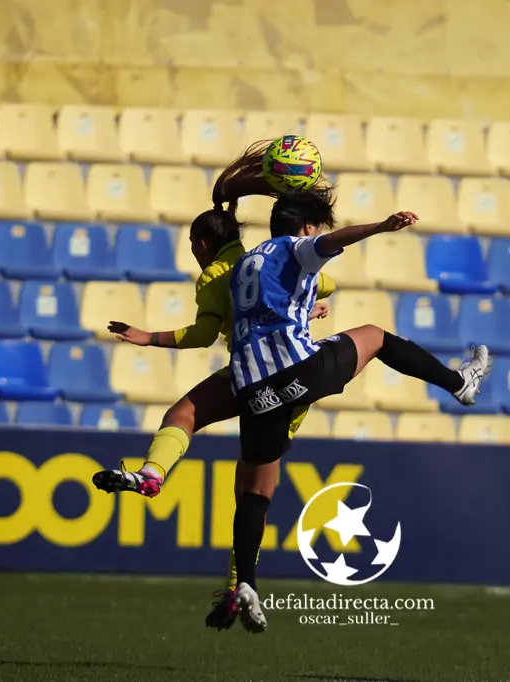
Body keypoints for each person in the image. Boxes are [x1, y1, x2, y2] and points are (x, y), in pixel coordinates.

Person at [222, 185, 492, 633]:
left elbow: (263, 315)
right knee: (376, 336)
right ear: (305, 226)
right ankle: (459, 383)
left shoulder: (245, 265)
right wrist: (381, 226)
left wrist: (307, 310)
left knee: (255, 490)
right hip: (294, 370)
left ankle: (246, 584)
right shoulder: (297, 246)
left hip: (250, 387)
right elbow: (330, 243)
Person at [90, 150, 334, 631]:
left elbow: (203, 335)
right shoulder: (263, 258)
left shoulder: (215, 275)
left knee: (183, 417)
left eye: (191, 244)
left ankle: (154, 474)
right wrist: (307, 304)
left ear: (203, 243)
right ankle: (236, 590)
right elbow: (320, 281)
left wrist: (149, 336)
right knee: (255, 492)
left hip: (253, 373)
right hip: (294, 377)